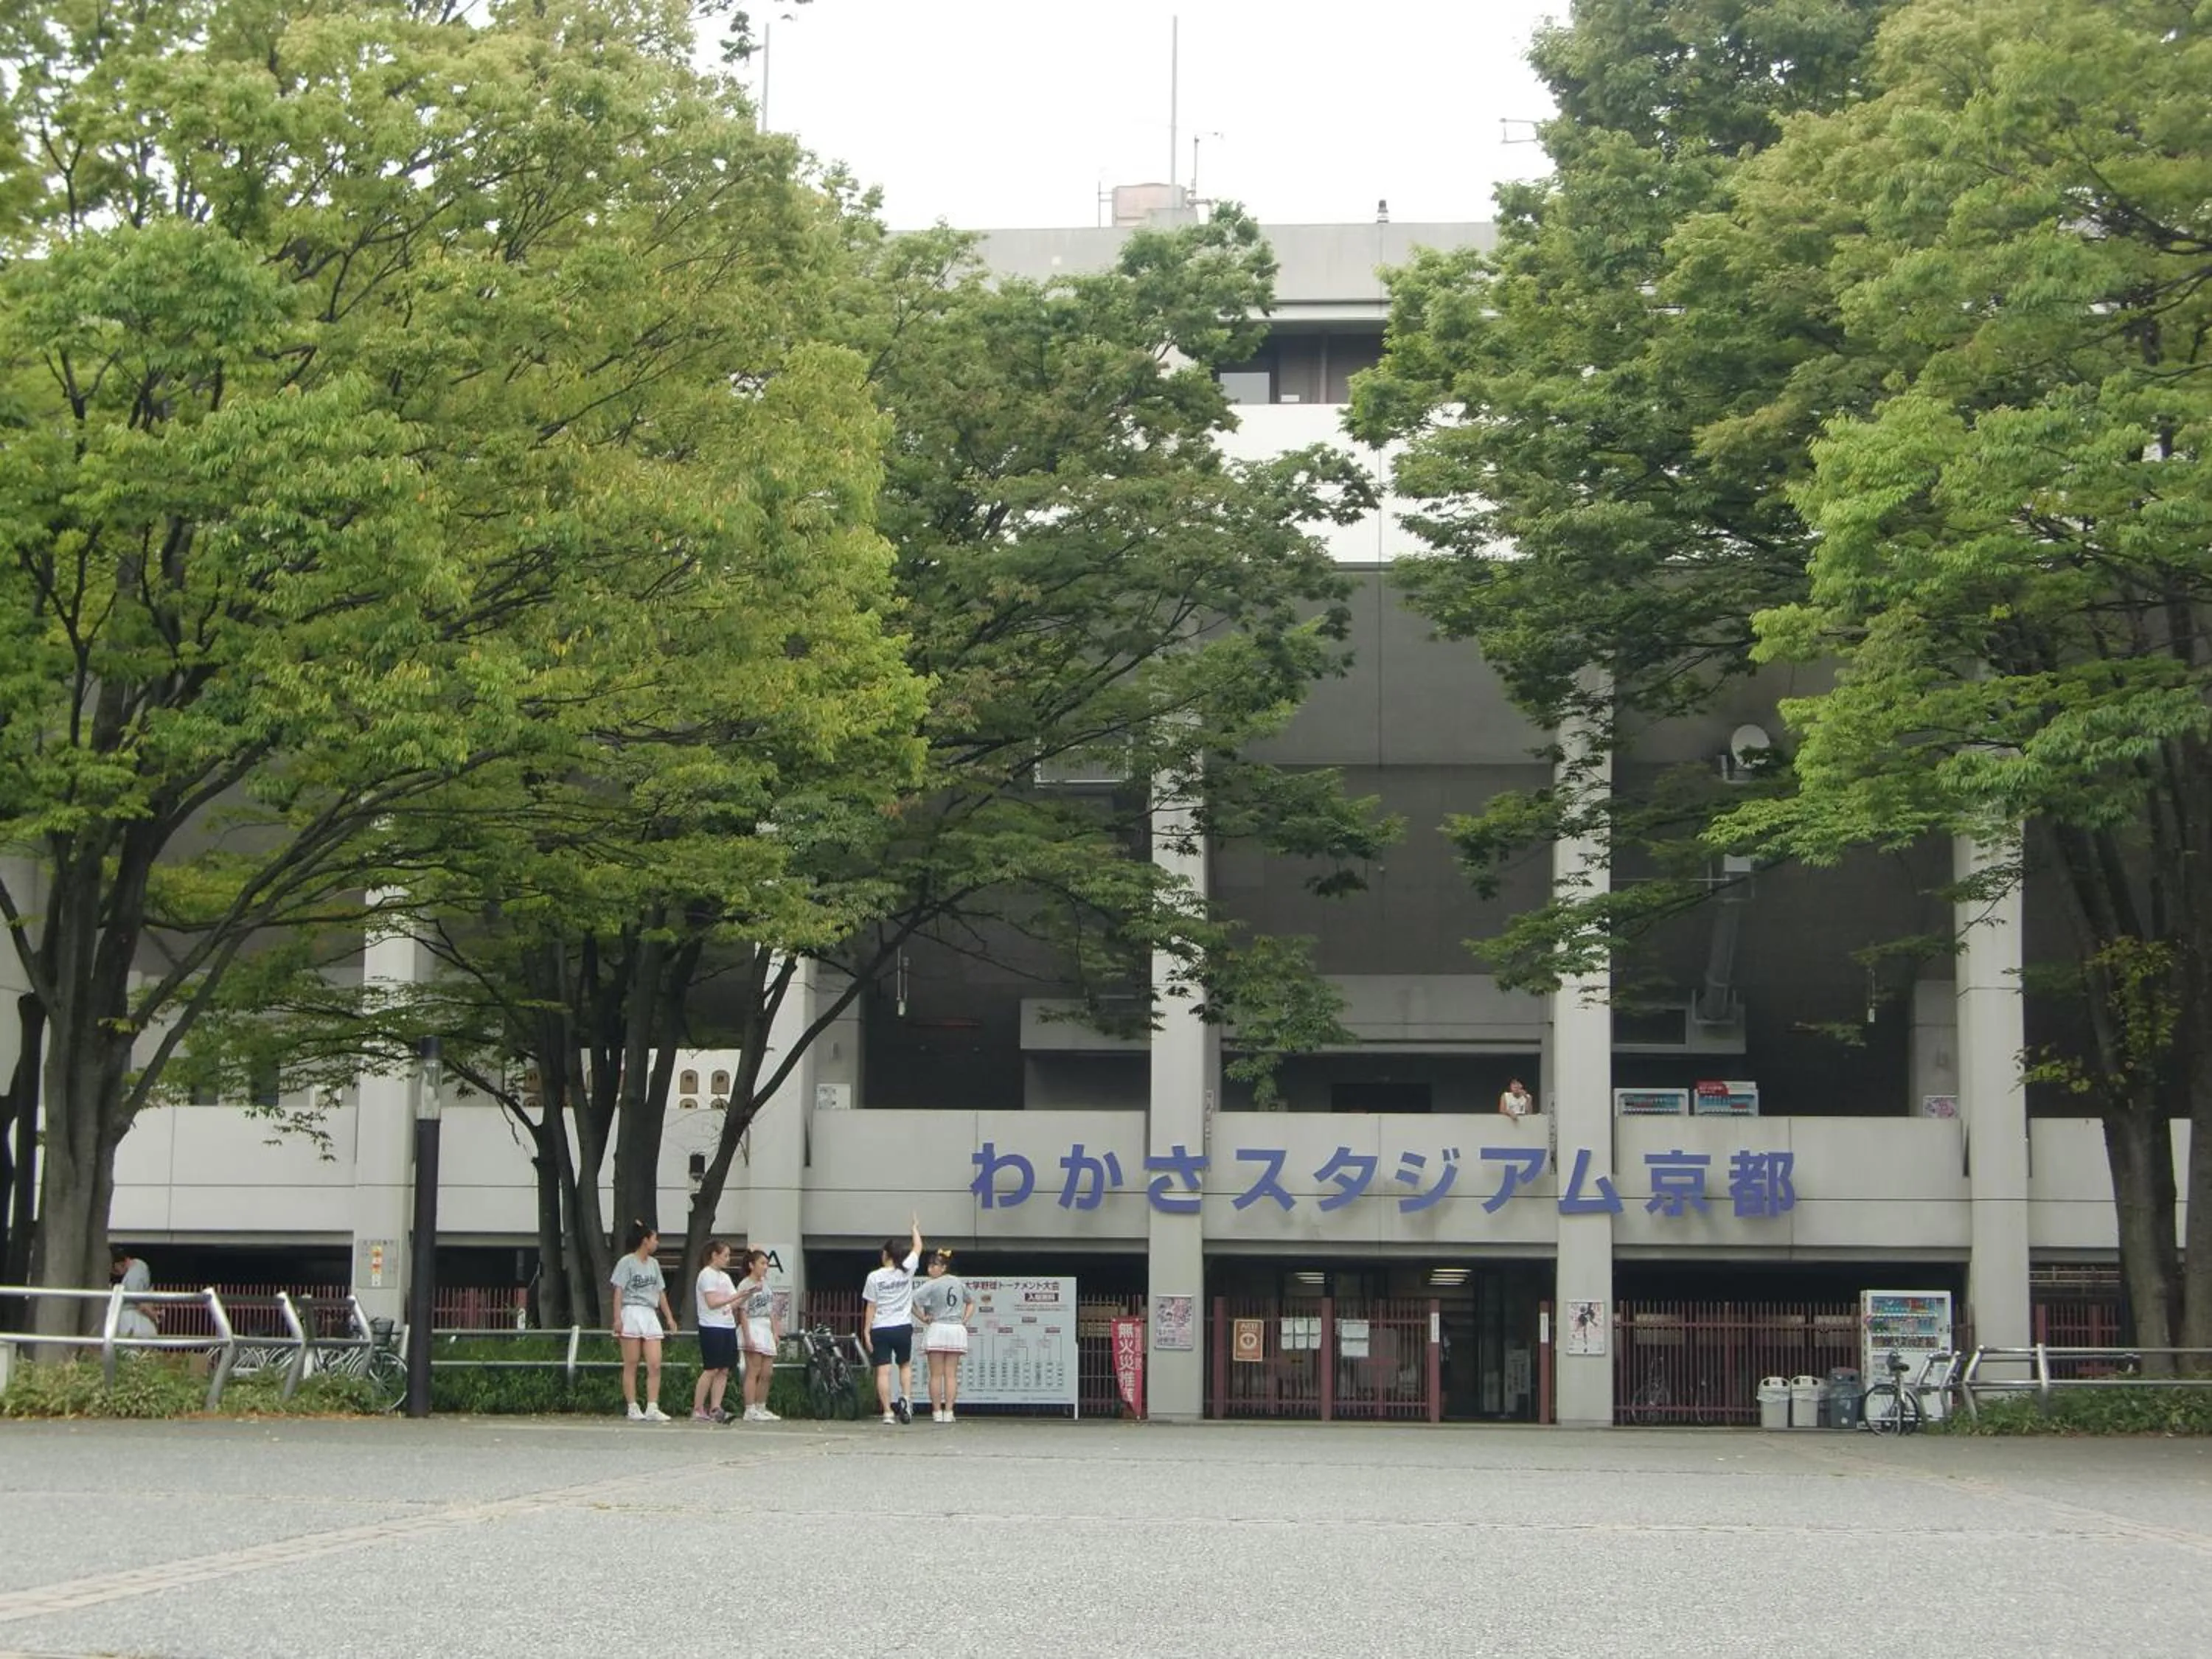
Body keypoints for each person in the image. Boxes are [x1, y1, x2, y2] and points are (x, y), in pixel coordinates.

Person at [609, 1221, 678, 1422]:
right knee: (631, 1363)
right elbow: (619, 1291)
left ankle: (652, 1406)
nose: (657, 1243)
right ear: (645, 1240)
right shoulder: (626, 1262)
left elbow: (660, 1292)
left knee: (655, 1363)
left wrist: (669, 1317)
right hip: (631, 1311)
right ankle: (632, 1406)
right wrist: (617, 1318)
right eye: (654, 1239)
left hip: (649, 1312)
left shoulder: (654, 1264)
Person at [860, 1214, 923, 1425]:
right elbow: (918, 1247)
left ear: (885, 1254)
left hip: (881, 1328)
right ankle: (906, 1399)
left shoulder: (874, 1277)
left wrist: (867, 1331)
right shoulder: (907, 1271)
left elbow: (871, 1305)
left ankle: (887, 1412)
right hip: (903, 1327)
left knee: (883, 1371)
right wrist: (914, 1228)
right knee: (904, 1365)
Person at [912, 1247, 976, 1425]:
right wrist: (964, 1320)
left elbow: (911, 1300)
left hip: (938, 1327)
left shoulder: (931, 1284)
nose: (931, 1269)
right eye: (930, 1266)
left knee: (936, 1375)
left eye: (935, 1266)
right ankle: (949, 1411)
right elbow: (971, 1303)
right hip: (956, 1328)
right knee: (951, 1374)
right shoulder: (958, 1282)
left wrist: (923, 1318)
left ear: (944, 1268)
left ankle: (937, 1412)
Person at [692, 1240, 741, 1423]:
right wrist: (734, 1297)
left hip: (727, 1325)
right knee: (711, 1368)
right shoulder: (706, 1275)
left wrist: (746, 1294)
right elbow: (712, 1302)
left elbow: (733, 1302)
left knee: (724, 1369)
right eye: (725, 1255)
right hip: (711, 1325)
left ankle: (715, 1408)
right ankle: (698, 1408)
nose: (728, 1259)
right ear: (715, 1255)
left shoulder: (725, 1278)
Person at [734, 1248, 783, 1422]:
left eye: (766, 1263)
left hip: (765, 1326)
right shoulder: (745, 1285)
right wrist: (747, 1336)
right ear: (751, 1265)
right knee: (753, 1370)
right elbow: (743, 1312)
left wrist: (775, 1332)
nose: (765, 1267)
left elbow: (772, 1311)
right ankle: (750, 1408)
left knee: (767, 1372)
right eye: (762, 1263)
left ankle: (761, 1406)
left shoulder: (766, 1284)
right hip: (753, 1325)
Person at [109, 1245, 158, 1340]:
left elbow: (136, 1298)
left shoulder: (137, 1269)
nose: (116, 1274)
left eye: (115, 1270)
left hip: (133, 1318)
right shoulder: (135, 1270)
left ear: (120, 1264)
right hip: (134, 1317)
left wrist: (153, 1315)